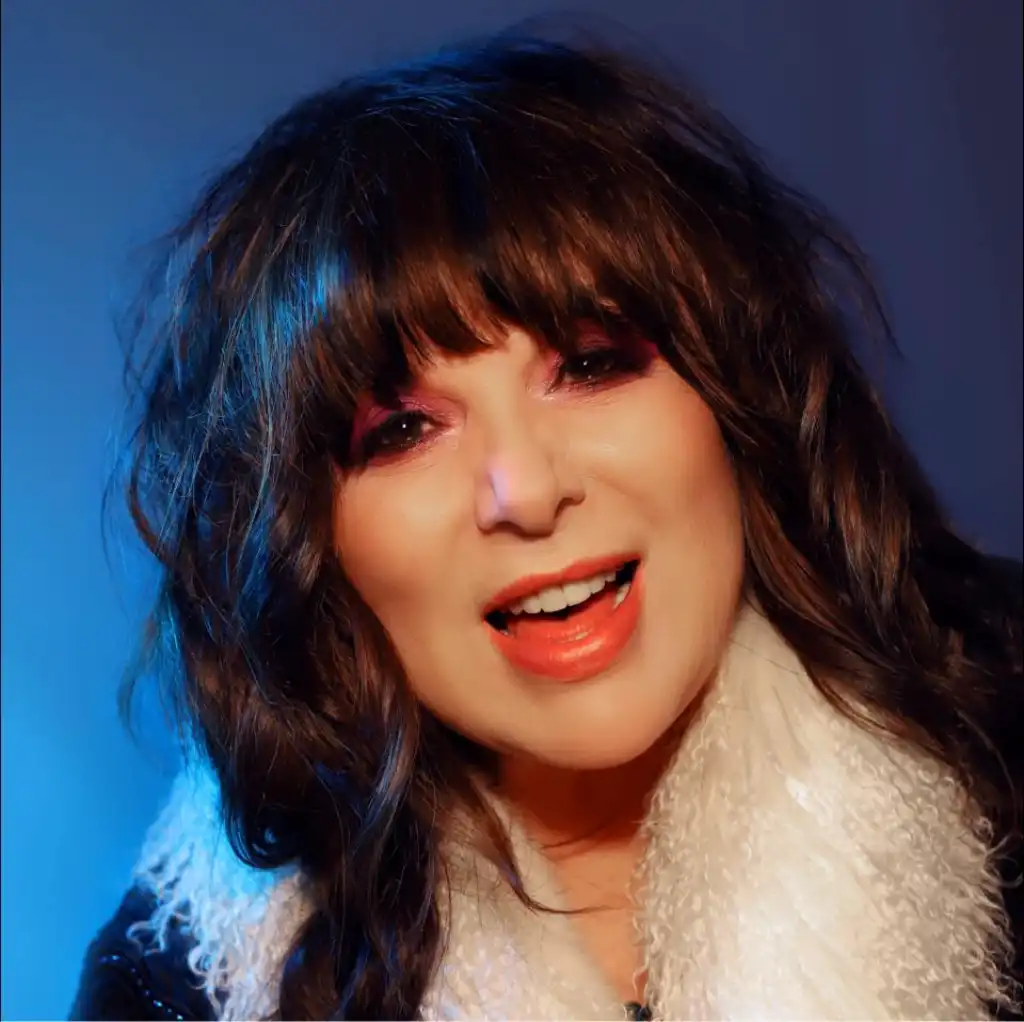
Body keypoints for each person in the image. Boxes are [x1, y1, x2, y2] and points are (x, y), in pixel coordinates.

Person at [70, 31, 1023, 1021]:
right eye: (401, 430)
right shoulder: (174, 990)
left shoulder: (1000, 724)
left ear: (736, 396)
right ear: (303, 536)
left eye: (592, 364)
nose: (524, 491)